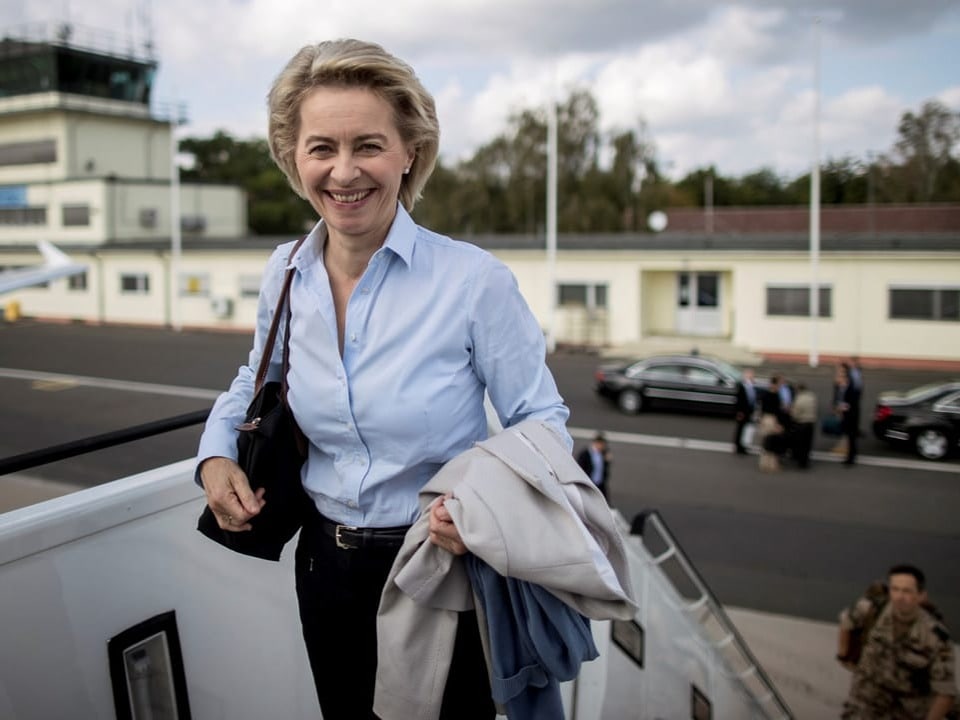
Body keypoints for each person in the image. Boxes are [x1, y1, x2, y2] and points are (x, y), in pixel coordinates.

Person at [195, 39, 570, 720]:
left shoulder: (473, 282)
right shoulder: (285, 271)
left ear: (409, 153)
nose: (343, 172)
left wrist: (484, 510)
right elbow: (258, 377)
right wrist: (216, 455)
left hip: (440, 567)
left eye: (368, 145)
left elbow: (541, 425)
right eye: (320, 149)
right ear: (293, 157)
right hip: (323, 566)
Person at [838, 564, 957, 719]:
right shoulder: (873, 609)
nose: (899, 596)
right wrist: (844, 655)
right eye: (895, 589)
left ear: (920, 595)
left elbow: (945, 693)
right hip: (866, 702)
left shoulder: (935, 637)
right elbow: (847, 621)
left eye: (907, 591)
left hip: (907, 710)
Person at [757, 374, 786, 471]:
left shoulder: (765, 394)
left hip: (765, 419)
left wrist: (760, 419)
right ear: (776, 384)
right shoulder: (775, 395)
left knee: (766, 442)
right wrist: (778, 424)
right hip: (772, 420)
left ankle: (764, 464)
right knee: (772, 442)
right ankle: (772, 465)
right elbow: (777, 411)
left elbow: (761, 408)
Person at [789, 382, 817, 468]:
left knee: (800, 444)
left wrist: (791, 412)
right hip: (811, 423)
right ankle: (806, 461)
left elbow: (795, 414)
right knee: (807, 444)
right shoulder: (812, 397)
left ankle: (801, 462)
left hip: (801, 423)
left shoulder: (799, 399)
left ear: (799, 390)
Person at [837, 362, 861, 466]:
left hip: (851, 415)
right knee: (850, 436)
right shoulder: (844, 385)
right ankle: (852, 454)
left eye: (842, 374)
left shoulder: (850, 386)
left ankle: (850, 459)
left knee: (851, 436)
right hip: (848, 414)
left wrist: (842, 407)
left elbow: (851, 402)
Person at [577, 433, 611, 499]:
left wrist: (607, 461)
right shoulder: (585, 453)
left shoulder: (604, 453)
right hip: (588, 483)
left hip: (600, 484)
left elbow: (603, 469)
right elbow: (580, 467)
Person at [733, 368, 758, 455]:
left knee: (746, 429)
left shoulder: (752, 386)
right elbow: (738, 400)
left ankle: (744, 445)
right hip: (742, 412)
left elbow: (753, 399)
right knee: (740, 429)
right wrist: (739, 412)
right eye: (750, 375)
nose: (752, 376)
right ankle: (738, 446)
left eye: (752, 375)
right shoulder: (742, 386)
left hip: (749, 411)